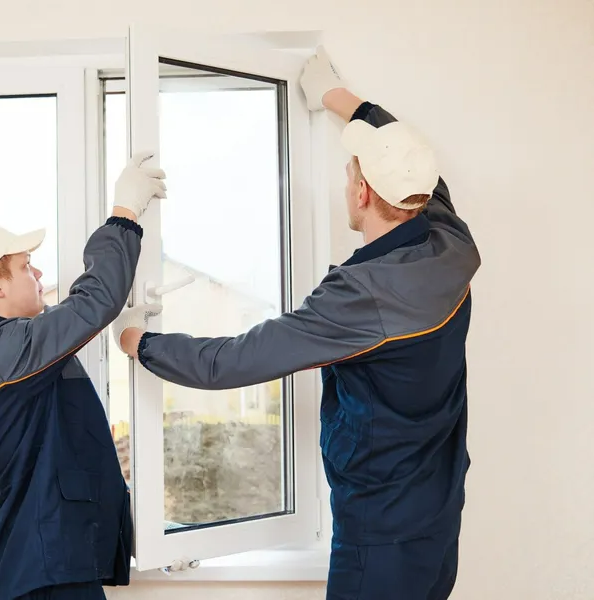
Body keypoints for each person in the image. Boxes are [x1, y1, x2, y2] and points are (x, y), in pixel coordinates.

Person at [112, 48, 481, 600]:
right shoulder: (451, 241)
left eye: (351, 171)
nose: (347, 179)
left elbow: (231, 361)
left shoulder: (362, 298)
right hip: (438, 513)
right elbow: (411, 154)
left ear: (360, 193)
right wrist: (337, 97)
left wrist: (139, 342)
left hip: (378, 536)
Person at [0, 152, 167, 600]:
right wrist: (124, 215)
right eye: (26, 266)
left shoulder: (5, 352)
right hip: (43, 576)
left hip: (47, 567)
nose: (39, 274)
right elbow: (91, 303)